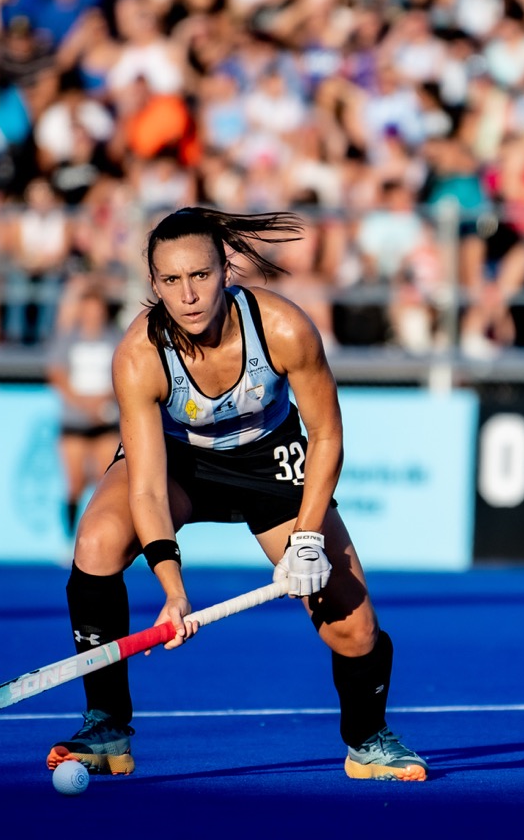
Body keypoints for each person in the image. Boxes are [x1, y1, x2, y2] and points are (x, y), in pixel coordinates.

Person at [46, 206, 427, 783]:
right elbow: (146, 488)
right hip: (177, 463)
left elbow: (327, 436)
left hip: (268, 462)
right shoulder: (140, 355)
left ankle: (367, 739)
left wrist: (306, 539)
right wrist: (173, 592)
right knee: (97, 541)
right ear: (154, 285)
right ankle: (106, 724)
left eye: (200, 275)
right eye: (171, 280)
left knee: (354, 627)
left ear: (225, 270)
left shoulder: (283, 328)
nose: (188, 295)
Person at [47, 283, 123, 539]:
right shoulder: (68, 339)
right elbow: (57, 374)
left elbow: (123, 372)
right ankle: (69, 538)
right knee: (75, 482)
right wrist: (82, 402)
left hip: (105, 420)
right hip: (74, 420)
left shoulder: (114, 338)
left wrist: (103, 399)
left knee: (106, 482)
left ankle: (106, 537)